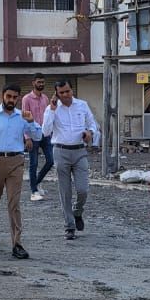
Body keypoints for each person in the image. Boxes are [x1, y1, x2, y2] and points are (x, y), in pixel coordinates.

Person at [0, 84, 43, 259]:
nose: (11, 100)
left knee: (14, 203)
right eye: (8, 96)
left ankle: (17, 244)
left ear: (18, 98)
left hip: (16, 161)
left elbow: (38, 136)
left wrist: (31, 122)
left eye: (14, 97)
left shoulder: (22, 116)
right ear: (2, 96)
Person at [42, 80, 98, 240]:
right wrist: (52, 110)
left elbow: (92, 124)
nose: (65, 95)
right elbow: (45, 131)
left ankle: (77, 211)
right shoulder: (51, 109)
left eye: (68, 91)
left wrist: (90, 132)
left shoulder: (82, 105)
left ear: (72, 90)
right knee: (65, 191)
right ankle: (69, 226)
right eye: (62, 93)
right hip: (61, 151)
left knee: (83, 190)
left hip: (79, 151)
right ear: (57, 94)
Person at [22, 73, 54, 201]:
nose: (41, 84)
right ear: (33, 83)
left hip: (45, 135)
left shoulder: (45, 98)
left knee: (51, 161)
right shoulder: (26, 99)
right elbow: (24, 118)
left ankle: (37, 182)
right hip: (32, 135)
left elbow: (48, 117)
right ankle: (34, 191)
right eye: (39, 82)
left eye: (42, 82)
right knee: (33, 163)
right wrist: (27, 138)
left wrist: (50, 133)